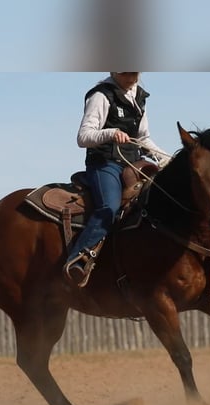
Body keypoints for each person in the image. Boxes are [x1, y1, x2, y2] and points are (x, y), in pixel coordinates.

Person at [63, 72, 169, 287]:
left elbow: (142, 138)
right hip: (105, 164)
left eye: (135, 72)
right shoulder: (101, 95)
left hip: (133, 164)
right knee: (109, 207)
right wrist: (111, 133)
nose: (132, 77)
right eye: (127, 72)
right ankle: (78, 259)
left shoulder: (139, 96)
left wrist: (166, 158)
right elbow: (83, 137)